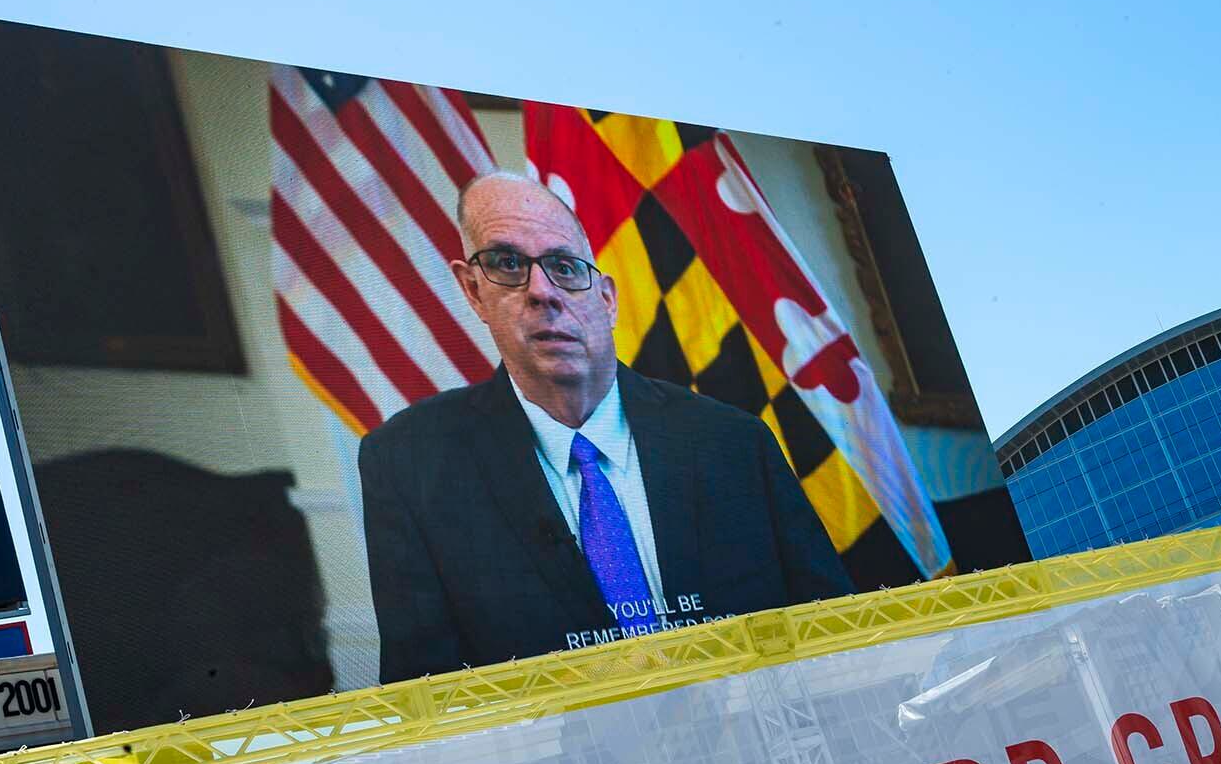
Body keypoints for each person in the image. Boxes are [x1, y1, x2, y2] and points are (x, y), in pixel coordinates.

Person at [359, 171, 854, 682]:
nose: (542, 293)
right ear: (473, 292)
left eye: (565, 267)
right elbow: (427, 693)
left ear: (608, 299)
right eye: (508, 264)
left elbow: (834, 637)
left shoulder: (733, 443)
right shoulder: (407, 465)